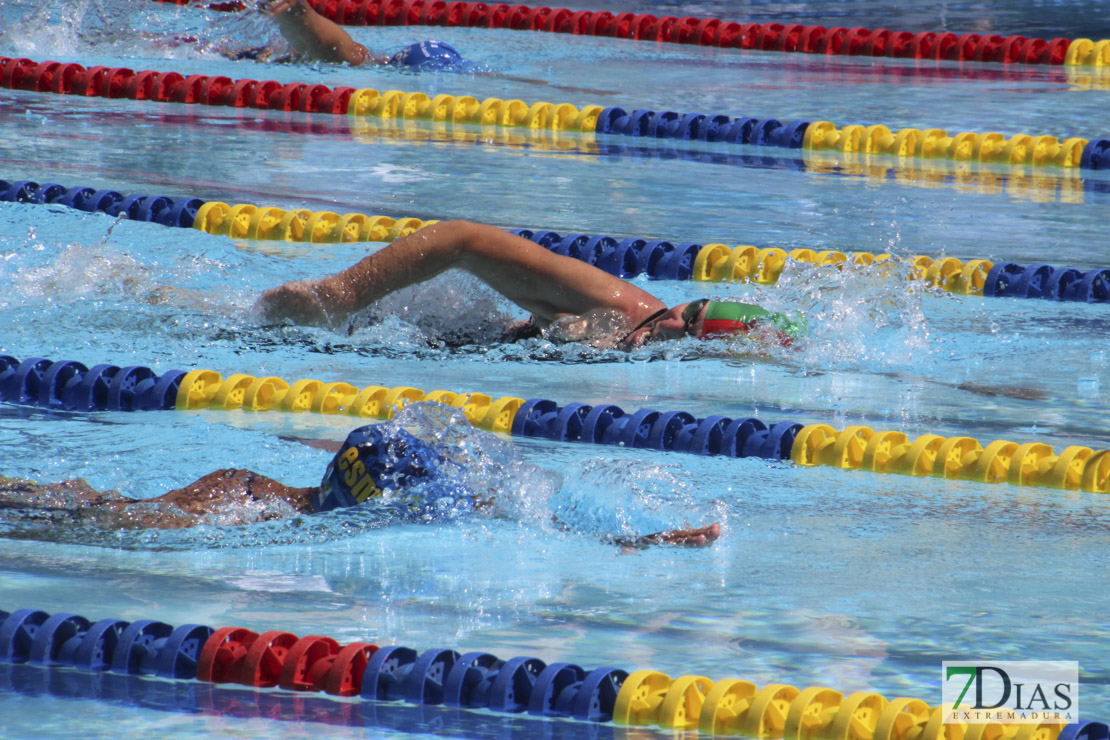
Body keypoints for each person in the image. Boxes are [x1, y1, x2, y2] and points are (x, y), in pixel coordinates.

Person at [0, 423, 720, 547]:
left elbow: (508, 510)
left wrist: (647, 538)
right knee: (90, 520)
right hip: (227, 506)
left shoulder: (279, 492)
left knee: (91, 503)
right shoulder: (252, 516)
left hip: (241, 483)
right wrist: (648, 542)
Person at [254, 219, 803, 349]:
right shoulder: (630, 308)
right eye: (691, 312)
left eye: (689, 331)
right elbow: (461, 238)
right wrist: (341, 295)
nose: (676, 323)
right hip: (359, 317)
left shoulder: (634, 344)